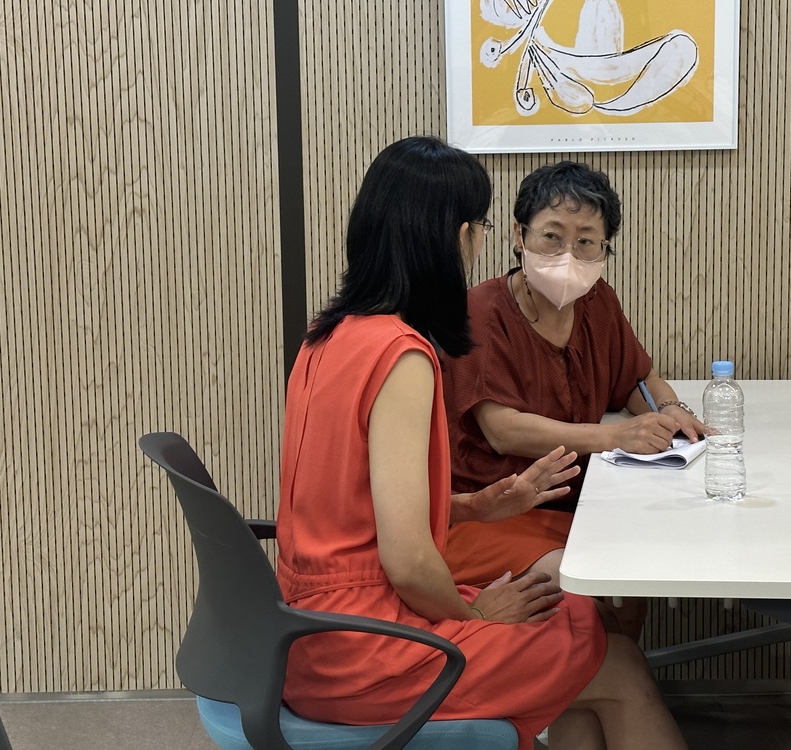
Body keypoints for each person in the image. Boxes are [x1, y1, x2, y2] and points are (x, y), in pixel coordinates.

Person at [275, 137, 687, 750]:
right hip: (367, 649)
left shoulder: (325, 336)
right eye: (481, 227)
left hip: (303, 629)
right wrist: (474, 616)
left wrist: (474, 506)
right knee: (614, 660)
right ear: (460, 236)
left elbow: (352, 508)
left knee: (578, 621)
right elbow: (409, 561)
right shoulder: (402, 355)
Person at [442, 161, 704, 636]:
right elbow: (502, 430)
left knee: (635, 572)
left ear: (605, 249)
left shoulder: (598, 300)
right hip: (492, 513)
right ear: (519, 235)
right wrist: (617, 436)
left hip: (578, 505)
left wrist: (670, 412)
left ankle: (615, 670)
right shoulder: (481, 310)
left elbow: (636, 378)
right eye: (552, 236)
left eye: (586, 241)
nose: (568, 255)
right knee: (594, 592)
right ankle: (606, 670)